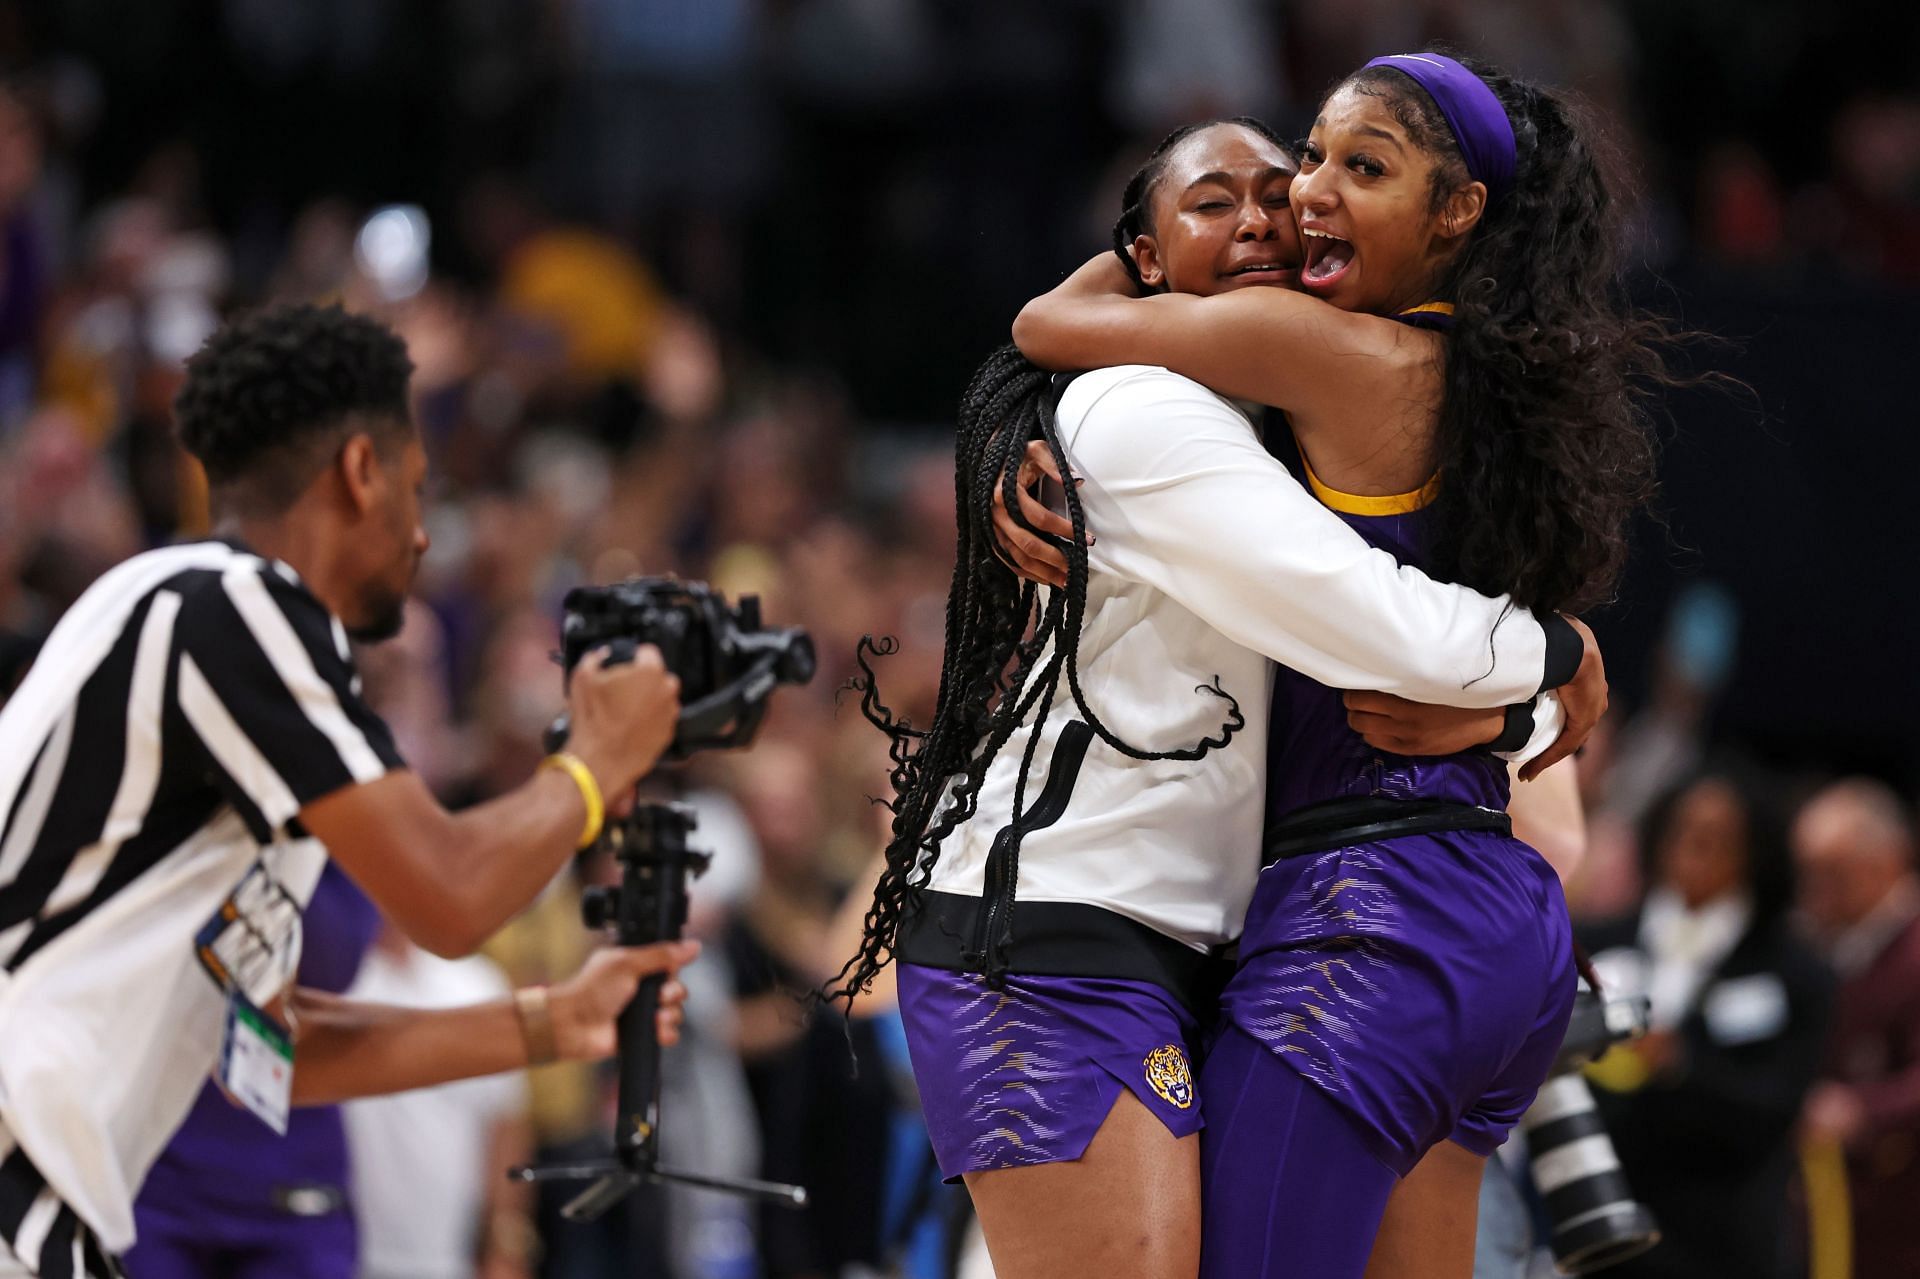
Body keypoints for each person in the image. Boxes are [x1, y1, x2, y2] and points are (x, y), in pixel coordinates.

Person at [832, 109, 1604, 1279]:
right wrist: (1562, 653)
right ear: (1143, 265)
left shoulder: (1287, 416)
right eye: (1208, 203)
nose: (1257, 217)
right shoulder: (1137, 410)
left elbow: (1393, 671)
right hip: (1051, 931)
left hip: (1201, 941)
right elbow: (1376, 622)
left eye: (1272, 192)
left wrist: (1516, 714)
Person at [1003, 51, 1679, 1276]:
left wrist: (1151, 245)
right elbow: (1534, 691)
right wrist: (1534, 686)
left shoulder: (1306, 340)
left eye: (1359, 168)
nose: (1305, 193)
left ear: (1457, 212)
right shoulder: (1508, 399)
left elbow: (1045, 329)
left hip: (1366, 923)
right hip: (1510, 938)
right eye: (1309, 154)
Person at [0, 302, 696, 1278]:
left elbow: (265, 1048)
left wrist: (549, 1020)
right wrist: (595, 761)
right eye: (418, 488)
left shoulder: (202, 639)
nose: (422, 537)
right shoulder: (232, 603)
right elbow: (449, 894)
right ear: (362, 472)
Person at [1584, 766, 1834, 1279]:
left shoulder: (1794, 971)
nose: (1697, 846)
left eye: (1720, 837)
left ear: (1756, 853)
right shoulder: (1593, 943)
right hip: (1598, 1225)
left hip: (1726, 1238)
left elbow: (1778, 1103)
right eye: (1686, 829)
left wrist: (1679, 1065)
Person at [1792, 778, 1920, 1279]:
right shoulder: (1819, 949)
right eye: (1809, 875)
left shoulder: (1912, 954)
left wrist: (1860, 1112)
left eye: (1833, 875)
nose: (1815, 894)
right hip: (1829, 1214)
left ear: (1888, 863)